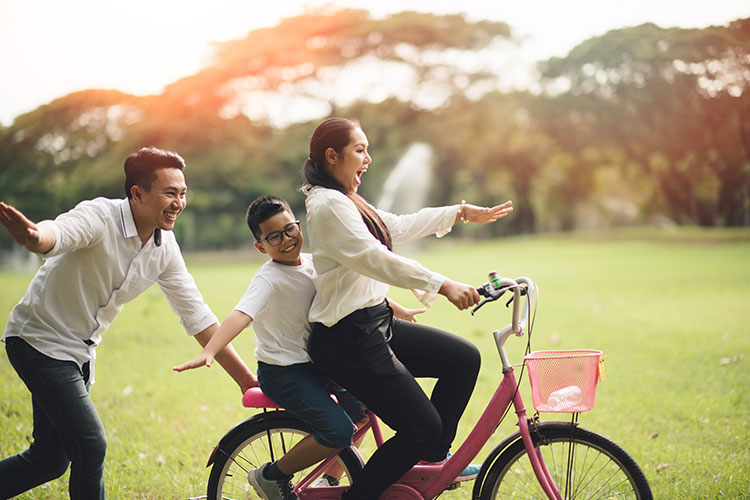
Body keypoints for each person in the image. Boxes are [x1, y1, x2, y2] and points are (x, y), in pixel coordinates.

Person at [0, 147, 257, 500]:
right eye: (170, 193)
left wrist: (247, 382)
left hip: (80, 353)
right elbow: (58, 233)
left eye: (183, 194)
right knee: (91, 446)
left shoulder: (164, 247)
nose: (178, 203)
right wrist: (34, 238)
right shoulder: (100, 216)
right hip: (39, 341)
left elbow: (197, 316)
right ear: (137, 193)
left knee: (48, 461)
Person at [302, 117, 514, 500]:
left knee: (462, 359)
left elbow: (394, 227)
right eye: (360, 150)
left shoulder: (347, 199)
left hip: (373, 323)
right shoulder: (328, 205)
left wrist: (461, 211)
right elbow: (375, 257)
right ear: (332, 156)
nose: (368, 158)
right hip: (348, 339)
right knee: (421, 426)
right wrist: (442, 284)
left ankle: (431, 465)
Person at [174, 194, 425, 500]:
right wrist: (210, 349)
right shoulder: (268, 279)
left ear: (299, 225)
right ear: (260, 246)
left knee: (365, 405)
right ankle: (272, 474)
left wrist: (400, 311)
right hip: (284, 373)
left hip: (320, 365)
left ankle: (329, 480)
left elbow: (351, 295)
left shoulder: (312, 263)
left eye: (290, 229)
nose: (286, 240)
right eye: (274, 237)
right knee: (338, 431)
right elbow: (241, 314)